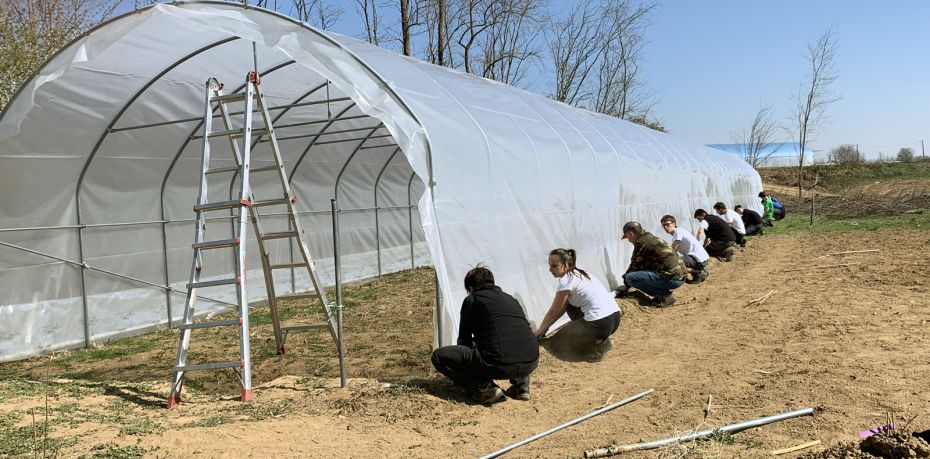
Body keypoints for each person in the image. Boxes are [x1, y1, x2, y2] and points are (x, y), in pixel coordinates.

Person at [431, 266, 539, 404]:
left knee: (439, 356)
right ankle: (522, 387)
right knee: (513, 341)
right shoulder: (510, 298)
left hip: (499, 364)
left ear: (471, 288)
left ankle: (484, 387)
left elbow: (464, 340)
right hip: (531, 361)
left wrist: (466, 370)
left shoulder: (472, 300)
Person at [535, 248, 621, 362]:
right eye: (550, 266)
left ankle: (594, 350)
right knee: (569, 304)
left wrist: (539, 332)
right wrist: (545, 328)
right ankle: (598, 340)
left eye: (554, 266)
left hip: (600, 323)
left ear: (566, 264)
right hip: (615, 318)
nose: (550, 269)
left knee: (557, 345)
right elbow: (562, 308)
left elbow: (553, 312)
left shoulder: (566, 280)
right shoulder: (582, 273)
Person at [615, 221, 686, 306]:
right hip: (681, 276)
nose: (629, 240)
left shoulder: (641, 244)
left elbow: (634, 267)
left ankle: (664, 296)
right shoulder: (649, 237)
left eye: (628, 237)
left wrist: (626, 286)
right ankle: (663, 294)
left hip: (673, 279)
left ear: (631, 233)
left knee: (630, 278)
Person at [660, 215, 709, 284]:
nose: (665, 227)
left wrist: (664, 257)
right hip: (701, 258)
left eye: (667, 224)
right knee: (676, 260)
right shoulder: (679, 231)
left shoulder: (678, 232)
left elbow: (673, 249)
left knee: (673, 263)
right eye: (663, 225)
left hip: (697, 259)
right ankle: (699, 271)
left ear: (674, 224)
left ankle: (699, 272)